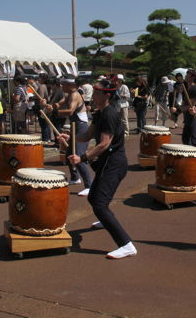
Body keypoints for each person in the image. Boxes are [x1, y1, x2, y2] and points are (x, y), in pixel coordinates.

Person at [61, 79, 137, 259]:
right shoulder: (99, 113)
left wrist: (83, 157)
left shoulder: (110, 114)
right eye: (93, 92)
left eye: (96, 93)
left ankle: (126, 245)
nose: (93, 96)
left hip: (114, 163)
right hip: (107, 162)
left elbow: (104, 144)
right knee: (95, 198)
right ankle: (106, 220)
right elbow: (87, 135)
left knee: (99, 205)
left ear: (107, 95)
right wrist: (71, 137)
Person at [46, 76, 92, 196]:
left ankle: (89, 186)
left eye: (64, 84)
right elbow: (60, 103)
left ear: (71, 85)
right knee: (68, 154)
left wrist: (54, 112)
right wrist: (51, 106)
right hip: (75, 127)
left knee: (78, 156)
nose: (62, 86)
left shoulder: (75, 95)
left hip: (81, 128)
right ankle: (75, 177)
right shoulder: (70, 95)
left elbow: (70, 110)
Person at [181, 69, 196, 170]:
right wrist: (180, 109)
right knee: (185, 138)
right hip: (188, 115)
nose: (185, 76)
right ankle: (190, 158)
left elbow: (191, 106)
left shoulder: (195, 89)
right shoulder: (186, 88)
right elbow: (184, 106)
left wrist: (184, 108)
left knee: (195, 140)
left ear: (192, 77)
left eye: (187, 75)